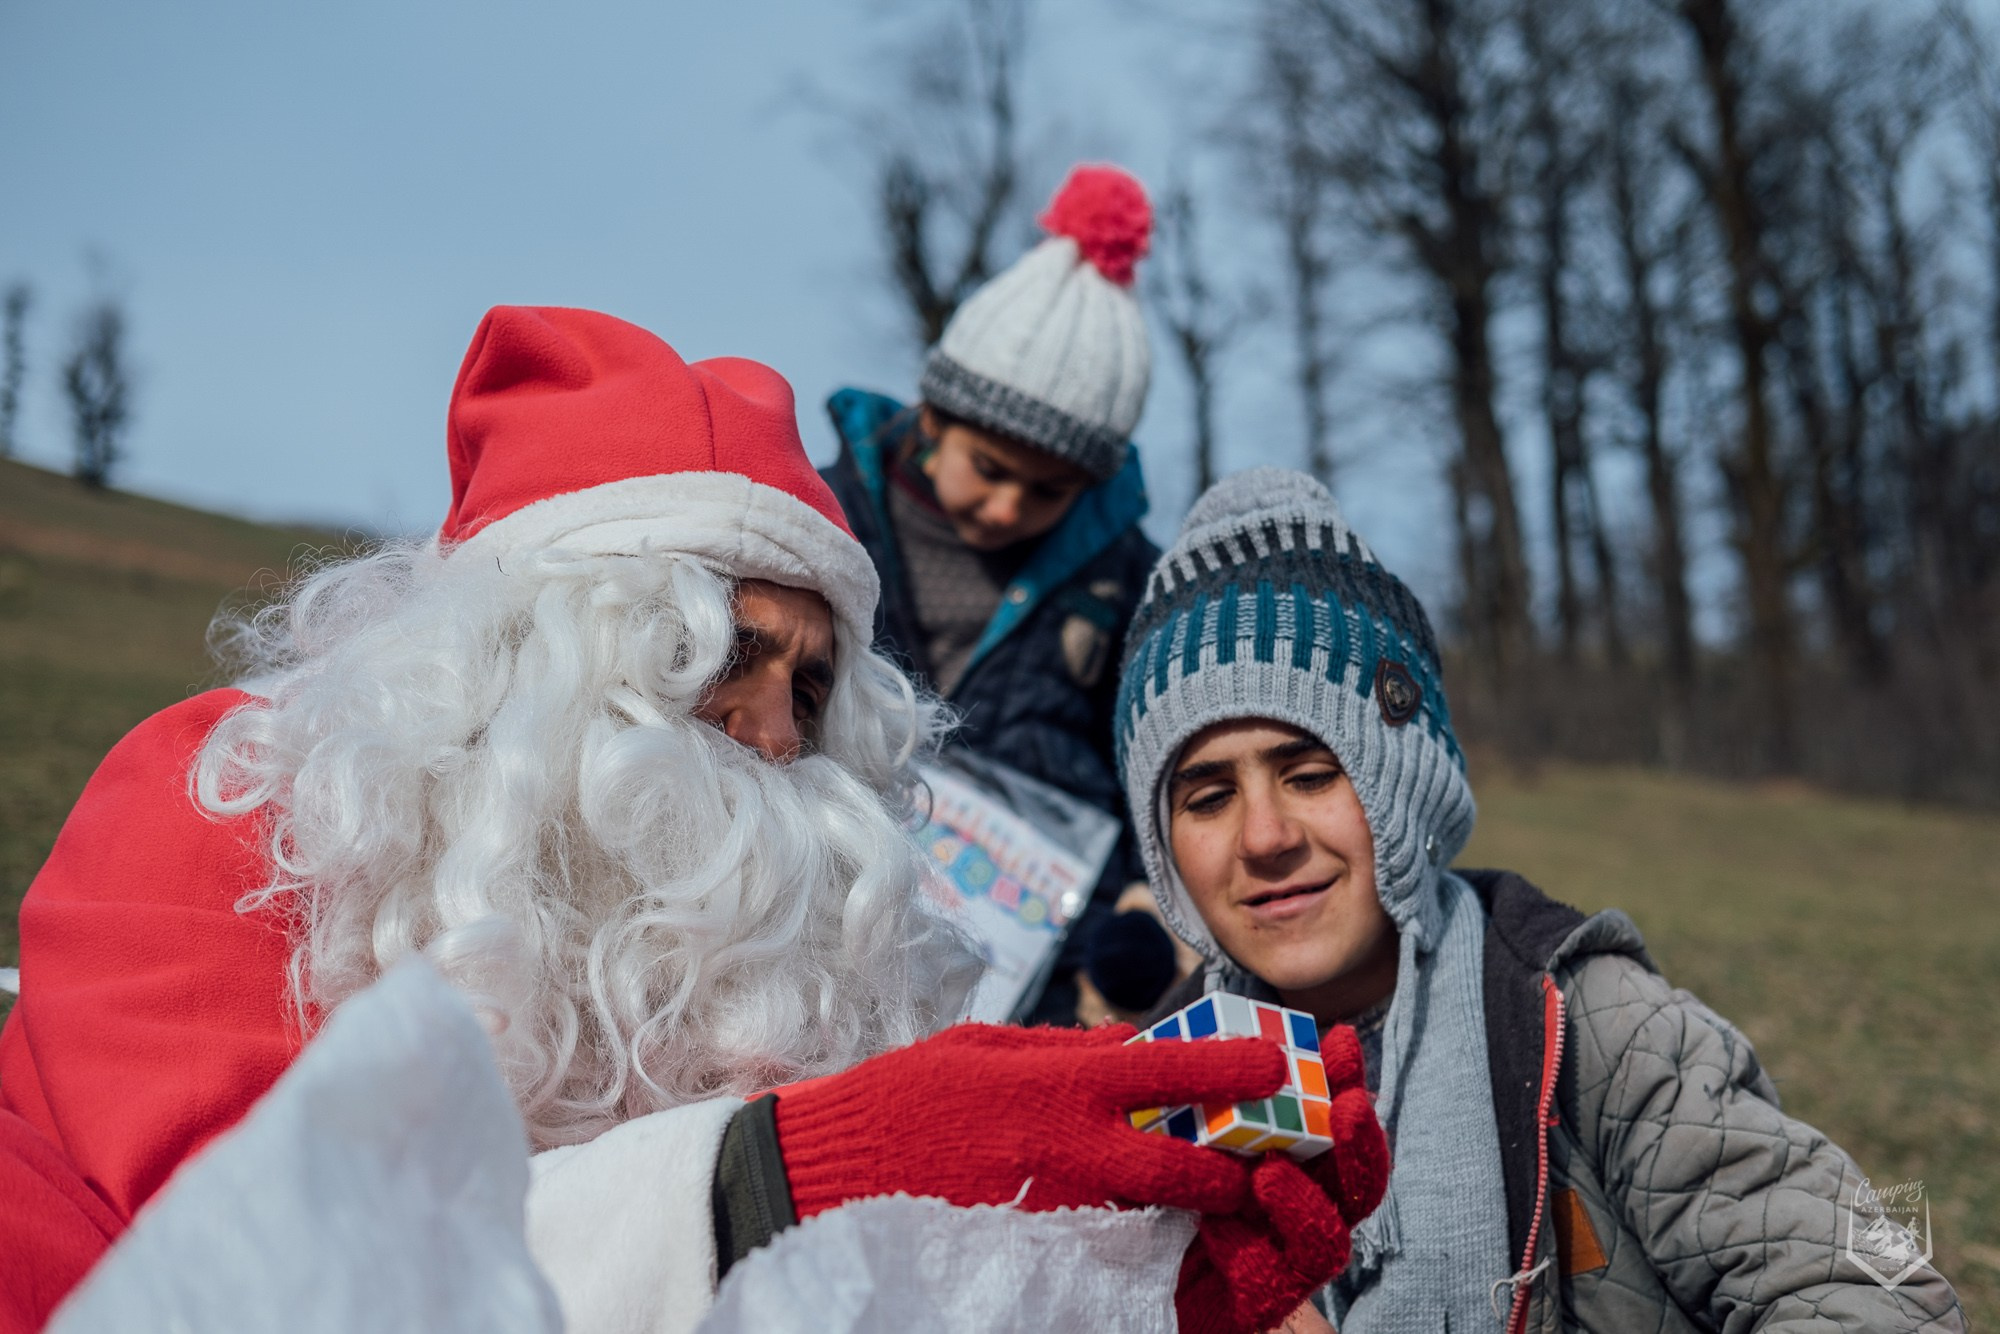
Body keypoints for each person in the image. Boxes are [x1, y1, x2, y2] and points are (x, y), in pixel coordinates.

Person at [0, 310, 1387, 1334]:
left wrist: (1122, 1292)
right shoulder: (239, 811)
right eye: (722, 649)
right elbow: (278, 1285)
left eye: (815, 682)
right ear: (536, 655)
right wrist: (776, 1178)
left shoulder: (754, 962)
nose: (778, 732)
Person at [1112, 468, 1968, 1332]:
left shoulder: (1595, 1022)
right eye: (1208, 797)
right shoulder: (1138, 1100)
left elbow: (1877, 1297)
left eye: (1309, 774)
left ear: (1402, 781)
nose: (1265, 837)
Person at [822, 164, 1163, 1022]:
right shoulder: (819, 521)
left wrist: (1143, 913)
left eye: (1048, 493)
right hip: (834, 944)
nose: (1011, 507)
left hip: (1048, 982)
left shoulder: (1124, 583)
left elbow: (1152, 769)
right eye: (992, 469)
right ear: (934, 418)